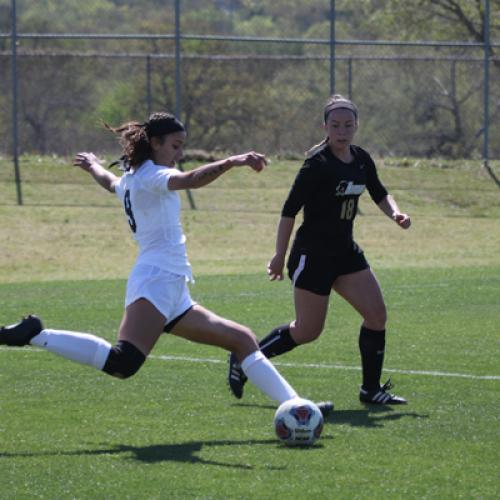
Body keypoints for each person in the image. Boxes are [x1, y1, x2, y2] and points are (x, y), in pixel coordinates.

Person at [0, 111, 332, 415]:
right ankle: (35, 333)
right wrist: (232, 161)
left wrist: (93, 167)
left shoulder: (134, 177)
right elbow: (189, 181)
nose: (179, 153)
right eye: (175, 146)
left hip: (172, 285)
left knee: (242, 339)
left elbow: (111, 183)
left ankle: (296, 406)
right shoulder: (152, 176)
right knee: (123, 363)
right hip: (156, 279)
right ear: (155, 143)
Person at [228, 95, 411, 405]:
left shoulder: (362, 159)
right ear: (326, 126)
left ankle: (371, 390)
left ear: (357, 126)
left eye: (348, 125)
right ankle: (246, 359)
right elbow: (289, 210)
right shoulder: (317, 164)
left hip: (345, 253)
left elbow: (380, 193)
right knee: (308, 331)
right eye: (336, 125)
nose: (342, 130)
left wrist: (395, 213)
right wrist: (278, 255)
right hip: (313, 255)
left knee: (377, 315)